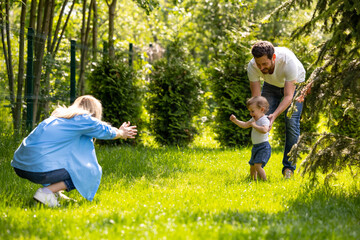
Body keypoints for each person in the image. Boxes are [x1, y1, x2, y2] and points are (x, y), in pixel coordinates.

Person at [11, 95, 137, 207]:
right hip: (37, 171)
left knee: (68, 163)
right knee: (88, 171)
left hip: (19, 166)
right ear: (93, 113)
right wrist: (121, 132)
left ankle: (55, 193)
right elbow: (104, 131)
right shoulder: (82, 119)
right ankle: (45, 193)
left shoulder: (57, 119)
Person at [247, 41, 305, 179]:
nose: (261, 68)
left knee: (291, 122)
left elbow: (288, 96)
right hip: (271, 85)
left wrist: (274, 115)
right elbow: (256, 100)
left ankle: (288, 169)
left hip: (296, 84)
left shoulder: (287, 61)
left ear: (273, 58)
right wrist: (258, 116)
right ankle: (256, 166)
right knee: (259, 119)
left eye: (264, 64)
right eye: (258, 64)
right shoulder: (252, 66)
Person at [230, 96, 271, 181]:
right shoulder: (253, 119)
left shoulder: (264, 120)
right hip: (256, 147)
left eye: (252, 111)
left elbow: (264, 130)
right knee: (252, 165)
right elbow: (245, 125)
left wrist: (254, 125)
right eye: (250, 111)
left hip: (263, 147)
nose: (251, 114)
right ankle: (253, 180)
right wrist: (235, 120)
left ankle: (264, 181)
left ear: (262, 109)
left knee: (257, 166)